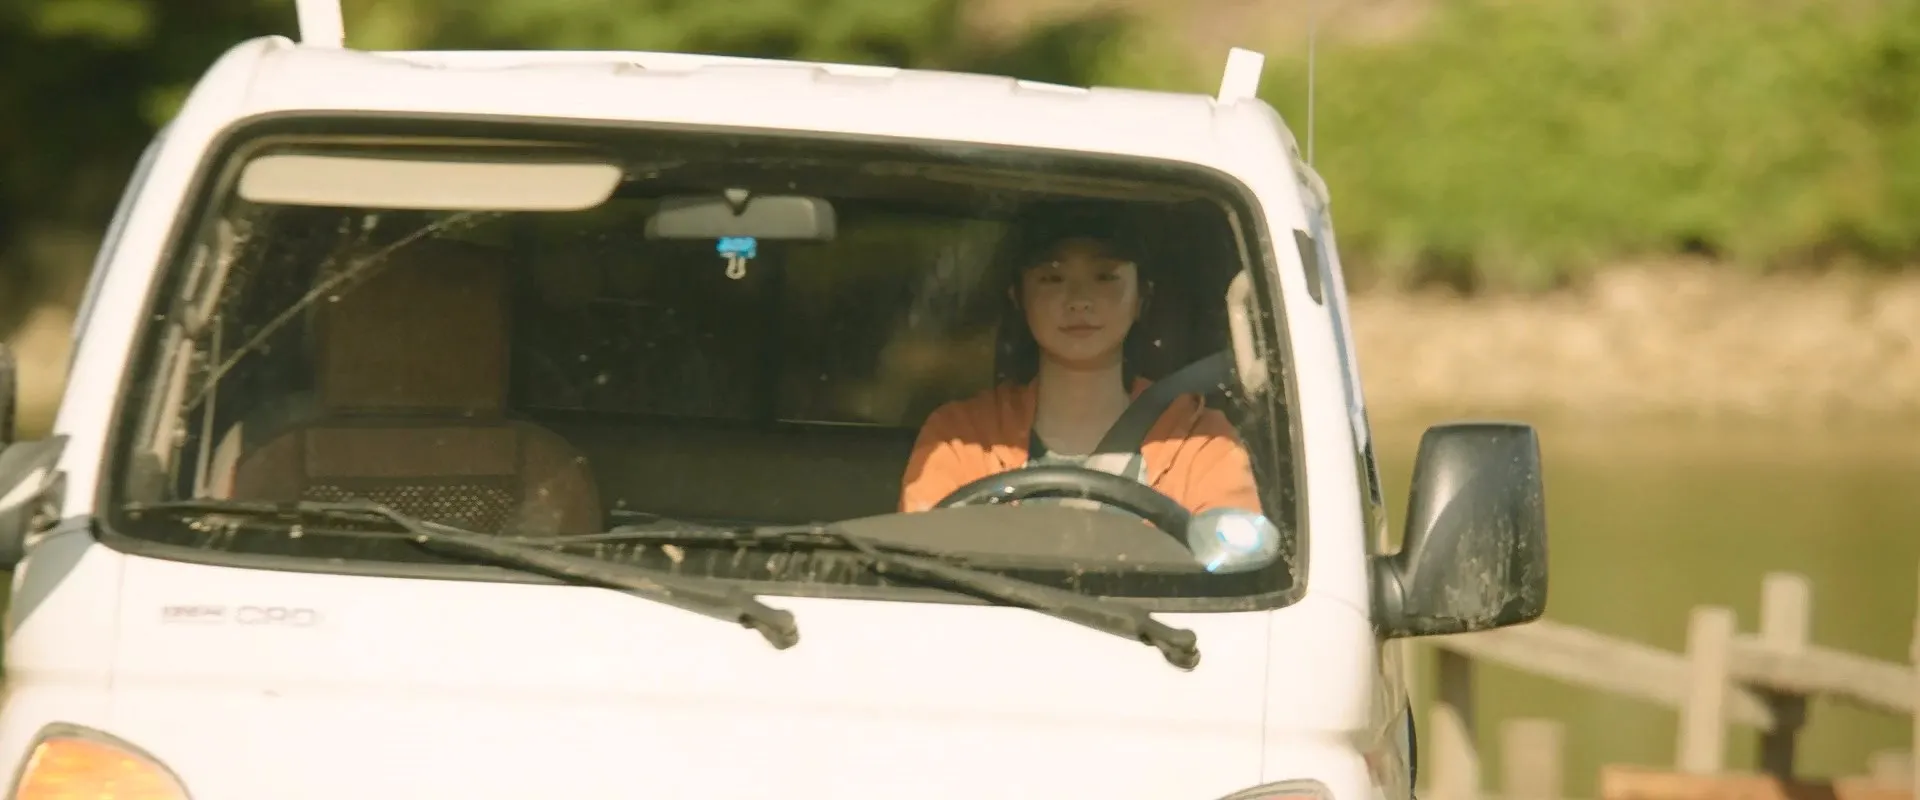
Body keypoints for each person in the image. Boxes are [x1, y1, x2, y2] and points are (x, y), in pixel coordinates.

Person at [897, 214, 1261, 517]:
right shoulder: (961, 437)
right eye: (1052, 277)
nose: (1079, 300)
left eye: (1105, 276)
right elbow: (922, 561)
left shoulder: (1199, 442)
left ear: (1142, 297)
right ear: (1018, 297)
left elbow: (1235, 565)